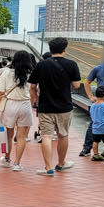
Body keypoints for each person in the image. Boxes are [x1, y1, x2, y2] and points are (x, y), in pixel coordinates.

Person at [29, 37, 81, 176]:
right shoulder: (72, 64)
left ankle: (48, 168)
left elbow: (32, 87)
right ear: (65, 49)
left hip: (45, 106)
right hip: (65, 106)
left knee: (46, 136)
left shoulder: (41, 65)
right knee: (63, 135)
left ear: (50, 49)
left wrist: (36, 100)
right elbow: (76, 85)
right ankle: (61, 164)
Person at [0, 50, 34, 171]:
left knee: (8, 135)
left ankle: (7, 159)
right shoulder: (31, 74)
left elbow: (0, 93)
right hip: (26, 105)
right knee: (21, 137)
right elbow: (34, 91)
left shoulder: (7, 73)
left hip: (10, 105)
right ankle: (17, 163)